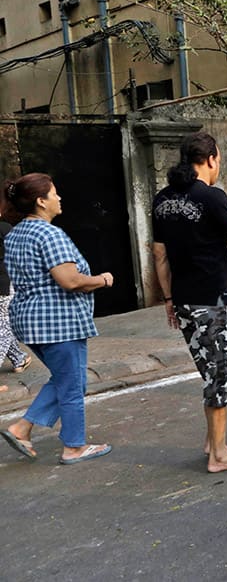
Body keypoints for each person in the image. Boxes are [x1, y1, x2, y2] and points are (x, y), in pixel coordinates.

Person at [151, 132, 227, 473]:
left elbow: (159, 254)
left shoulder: (161, 200)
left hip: (183, 301)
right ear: (211, 159)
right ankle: (218, 457)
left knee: (209, 371)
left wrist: (168, 298)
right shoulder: (212, 197)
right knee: (220, 375)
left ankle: (215, 441)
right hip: (213, 302)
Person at [0, 173, 113, 464]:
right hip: (57, 322)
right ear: (41, 201)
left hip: (28, 320)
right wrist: (102, 280)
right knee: (72, 384)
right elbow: (70, 280)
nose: (59, 198)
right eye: (54, 193)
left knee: (68, 379)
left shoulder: (15, 234)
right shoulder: (49, 234)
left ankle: (22, 428)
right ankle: (74, 446)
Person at [0, 214, 31, 386]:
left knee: (3, 324)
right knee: (5, 329)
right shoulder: (4, 228)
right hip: (3, 285)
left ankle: (19, 359)